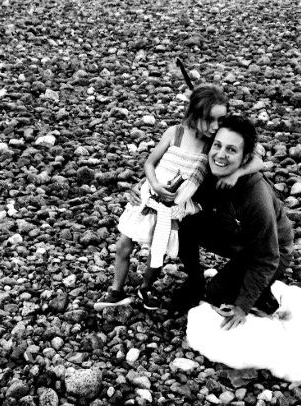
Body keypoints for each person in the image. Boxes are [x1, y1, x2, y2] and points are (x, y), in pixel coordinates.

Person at [95, 85, 266, 311]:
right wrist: (151, 184)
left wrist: (237, 173)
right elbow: (151, 163)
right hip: (149, 196)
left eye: (220, 120)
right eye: (210, 119)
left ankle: (145, 288)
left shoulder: (213, 142)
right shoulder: (175, 133)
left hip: (174, 205)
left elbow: (259, 158)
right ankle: (115, 290)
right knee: (123, 246)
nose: (216, 126)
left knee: (158, 249)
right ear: (194, 114)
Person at [171, 114, 294, 330]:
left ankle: (261, 295)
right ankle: (195, 281)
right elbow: (167, 171)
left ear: (244, 159)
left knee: (217, 294)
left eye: (231, 150)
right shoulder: (205, 168)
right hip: (233, 233)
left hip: (271, 251)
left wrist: (242, 306)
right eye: (217, 145)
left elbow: (267, 257)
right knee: (180, 218)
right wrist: (142, 188)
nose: (220, 155)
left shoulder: (256, 197)